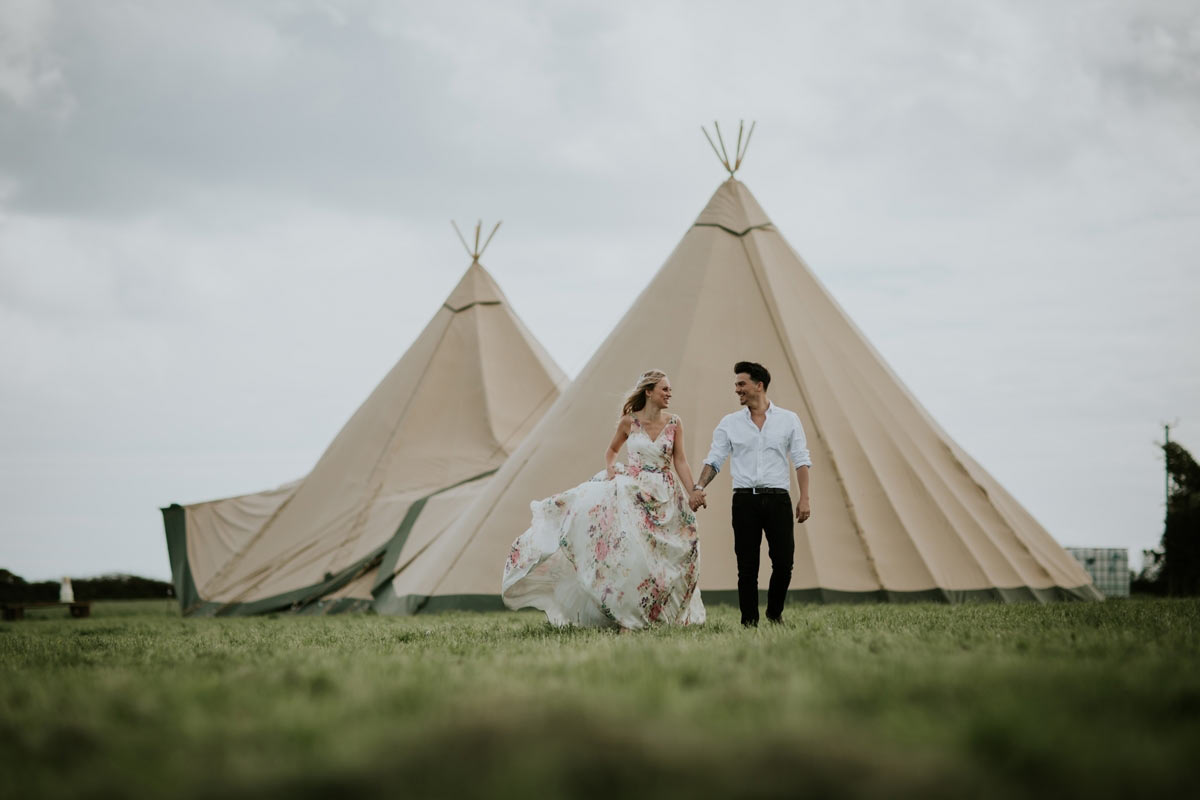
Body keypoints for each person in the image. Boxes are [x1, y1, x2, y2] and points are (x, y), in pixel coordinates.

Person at [502, 369, 706, 629]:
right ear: (649, 391)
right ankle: (627, 616)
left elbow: (680, 461)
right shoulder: (628, 422)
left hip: (667, 494)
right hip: (634, 492)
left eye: (669, 389)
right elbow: (611, 451)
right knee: (633, 555)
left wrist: (693, 492)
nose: (669, 393)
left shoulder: (675, 422)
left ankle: (664, 615)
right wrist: (611, 467)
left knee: (674, 554)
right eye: (664, 389)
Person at [692, 361, 811, 627]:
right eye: (736, 385)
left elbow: (801, 459)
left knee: (784, 563)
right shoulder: (730, 423)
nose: (737, 390)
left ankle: (774, 613)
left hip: (779, 498)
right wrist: (699, 487)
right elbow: (715, 459)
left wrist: (805, 497)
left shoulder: (789, 420)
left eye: (741, 384)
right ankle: (749, 621)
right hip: (745, 500)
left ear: (759, 385)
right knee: (747, 566)